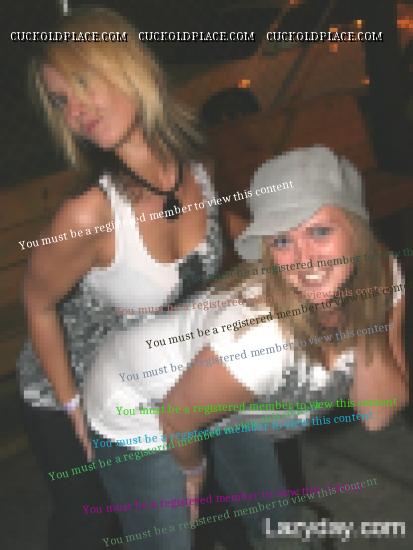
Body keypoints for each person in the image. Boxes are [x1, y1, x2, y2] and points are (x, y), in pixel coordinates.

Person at [84, 146, 408, 543]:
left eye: (320, 231)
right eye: (282, 241)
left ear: (357, 230)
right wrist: (194, 472)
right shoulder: (259, 340)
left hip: (223, 391)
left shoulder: (382, 273)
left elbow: (377, 413)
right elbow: (176, 418)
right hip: (138, 402)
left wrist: (366, 313)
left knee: (275, 521)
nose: (304, 260)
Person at [16, 7, 238, 549]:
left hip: (151, 371)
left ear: (127, 66)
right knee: (89, 522)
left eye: (82, 83)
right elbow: (36, 304)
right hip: (68, 385)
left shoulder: (195, 167)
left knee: (196, 507)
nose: (75, 111)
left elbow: (219, 232)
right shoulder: (88, 213)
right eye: (60, 100)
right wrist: (72, 408)